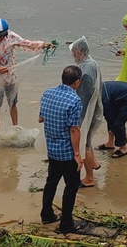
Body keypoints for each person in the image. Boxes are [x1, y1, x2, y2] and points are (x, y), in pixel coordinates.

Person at [38, 65, 87, 234]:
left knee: (51, 181)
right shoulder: (74, 100)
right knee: (71, 186)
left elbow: (40, 118)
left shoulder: (48, 93)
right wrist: (78, 155)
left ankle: (47, 214)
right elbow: (74, 130)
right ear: (77, 82)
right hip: (66, 152)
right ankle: (66, 223)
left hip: (52, 149)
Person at [0, 18, 51, 130]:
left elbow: (26, 43)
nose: (2, 37)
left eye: (4, 34)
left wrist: (43, 45)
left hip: (10, 76)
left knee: (13, 103)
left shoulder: (11, 37)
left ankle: (16, 127)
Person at [69, 36, 104, 187]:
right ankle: (94, 164)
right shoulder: (89, 63)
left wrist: (80, 119)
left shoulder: (87, 70)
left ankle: (89, 178)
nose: (72, 55)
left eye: (73, 52)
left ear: (79, 51)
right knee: (87, 140)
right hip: (93, 108)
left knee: (84, 145)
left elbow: (83, 97)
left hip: (88, 112)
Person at [97, 81, 127, 158]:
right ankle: (110, 143)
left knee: (118, 123)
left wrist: (112, 127)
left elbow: (108, 113)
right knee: (112, 118)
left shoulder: (102, 97)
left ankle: (123, 148)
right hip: (120, 97)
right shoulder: (97, 89)